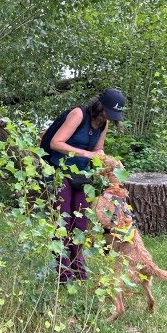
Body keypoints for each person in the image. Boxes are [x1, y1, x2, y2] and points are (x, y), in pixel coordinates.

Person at [43, 88, 126, 281]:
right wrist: (87, 154)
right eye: (107, 112)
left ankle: (79, 270)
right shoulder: (78, 114)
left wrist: (110, 165)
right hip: (59, 171)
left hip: (81, 176)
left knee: (80, 223)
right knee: (62, 221)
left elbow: (98, 150)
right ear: (99, 105)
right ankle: (63, 273)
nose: (109, 117)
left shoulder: (103, 124)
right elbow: (56, 143)